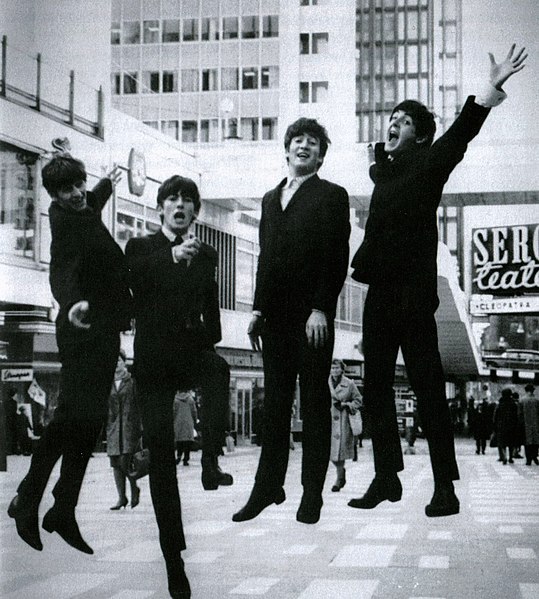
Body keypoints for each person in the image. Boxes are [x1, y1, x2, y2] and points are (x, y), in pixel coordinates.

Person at [348, 45, 527, 517]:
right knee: (375, 388)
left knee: (428, 390)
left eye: (404, 121)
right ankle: (387, 477)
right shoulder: (383, 173)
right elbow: (380, 180)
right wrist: (378, 163)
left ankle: (445, 488)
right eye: (392, 117)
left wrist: (490, 89)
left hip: (411, 296)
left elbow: (461, 134)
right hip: (379, 295)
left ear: (422, 137)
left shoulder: (429, 164)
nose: (394, 123)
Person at [8, 152, 132, 553]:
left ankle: (63, 507)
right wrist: (73, 300)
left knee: (88, 420)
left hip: (103, 329)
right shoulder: (65, 225)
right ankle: (29, 498)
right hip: (83, 329)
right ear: (54, 196)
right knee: (70, 419)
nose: (77, 193)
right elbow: (59, 270)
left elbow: (91, 201)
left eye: (80, 183)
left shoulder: (81, 208)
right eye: (68, 189)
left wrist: (106, 184)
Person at [232, 118, 350, 525]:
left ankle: (311, 494)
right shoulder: (269, 199)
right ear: (286, 149)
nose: (304, 146)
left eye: (312, 142)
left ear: (320, 154)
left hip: (311, 318)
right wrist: (257, 310)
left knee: (315, 402)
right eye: (297, 140)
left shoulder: (332, 195)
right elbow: (265, 257)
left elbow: (337, 258)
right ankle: (268, 487)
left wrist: (321, 307)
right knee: (275, 405)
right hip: (275, 318)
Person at [126, 175, 232, 599]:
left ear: (195, 212)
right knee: (163, 463)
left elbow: (212, 310)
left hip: (189, 351)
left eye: (188, 199)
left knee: (220, 370)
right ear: (161, 209)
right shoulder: (141, 248)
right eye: (173, 198)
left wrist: (207, 336)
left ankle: (209, 461)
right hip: (153, 360)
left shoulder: (207, 254)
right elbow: (136, 287)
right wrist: (171, 258)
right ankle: (174, 561)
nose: (181, 204)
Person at [106, 350, 142, 510]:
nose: (116, 366)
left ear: (124, 362)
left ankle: (134, 488)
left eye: (118, 362)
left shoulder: (131, 381)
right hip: (113, 427)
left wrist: (140, 426)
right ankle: (122, 497)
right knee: (115, 463)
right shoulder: (109, 383)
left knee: (125, 462)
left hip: (129, 426)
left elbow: (139, 404)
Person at [328, 359, 362, 492]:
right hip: (328, 420)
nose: (334, 370)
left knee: (339, 452)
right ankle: (341, 474)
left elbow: (358, 400)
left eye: (337, 368)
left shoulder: (349, 384)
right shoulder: (325, 382)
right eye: (332, 368)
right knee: (330, 452)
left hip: (343, 422)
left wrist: (347, 405)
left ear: (342, 369)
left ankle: (339, 479)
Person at [493, 388, 519, 465]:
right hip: (511, 426)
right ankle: (510, 457)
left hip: (501, 426)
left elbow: (495, 416)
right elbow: (516, 416)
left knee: (502, 443)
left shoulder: (500, 404)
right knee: (511, 443)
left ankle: (504, 457)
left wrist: (495, 426)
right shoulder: (513, 404)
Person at [173, 390, 198, 466]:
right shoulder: (190, 399)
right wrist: (195, 420)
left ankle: (179, 456)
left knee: (179, 440)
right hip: (188, 422)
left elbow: (173, 411)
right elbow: (194, 411)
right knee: (187, 441)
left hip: (178, 422)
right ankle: (186, 458)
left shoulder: (175, 400)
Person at [520, 384, 539, 466]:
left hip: (525, 424)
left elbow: (520, 414)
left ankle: (528, 459)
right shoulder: (536, 401)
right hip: (536, 424)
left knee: (527, 442)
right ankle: (535, 456)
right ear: (533, 391)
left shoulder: (522, 400)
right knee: (535, 442)